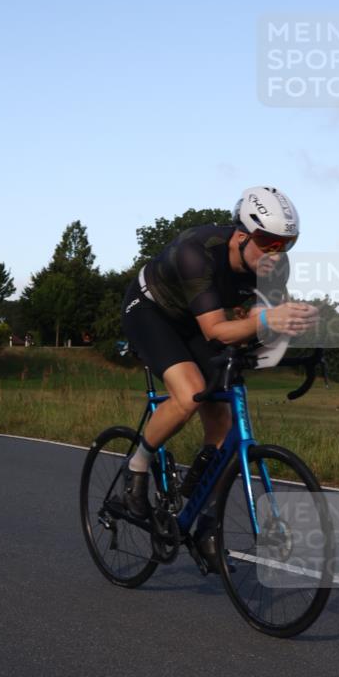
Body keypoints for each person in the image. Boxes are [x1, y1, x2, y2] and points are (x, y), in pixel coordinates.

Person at [120, 186, 319, 569]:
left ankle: (204, 520)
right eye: (269, 242)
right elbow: (216, 331)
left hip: (198, 319)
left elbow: (269, 326)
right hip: (151, 311)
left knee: (225, 424)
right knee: (190, 393)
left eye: (286, 244)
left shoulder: (274, 264)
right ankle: (137, 468)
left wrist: (305, 344)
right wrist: (262, 320)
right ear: (242, 235)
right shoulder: (196, 252)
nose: (276, 254)